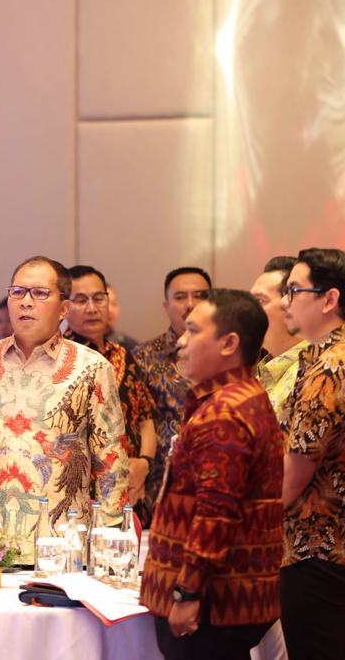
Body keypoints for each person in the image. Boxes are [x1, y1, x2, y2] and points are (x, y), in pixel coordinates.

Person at [0, 256, 128, 564]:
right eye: (17, 292)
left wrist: (106, 549)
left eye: (40, 293)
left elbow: (111, 463)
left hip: (63, 548)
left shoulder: (92, 367)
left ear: (64, 309)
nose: (26, 302)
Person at [140, 289, 282, 659]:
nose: (181, 342)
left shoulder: (223, 412)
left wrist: (187, 592)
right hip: (231, 596)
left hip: (213, 601)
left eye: (193, 331)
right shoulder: (245, 395)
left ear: (229, 343)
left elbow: (216, 513)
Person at [279, 248, 345, 660]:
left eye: (294, 290)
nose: (285, 302)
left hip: (318, 549)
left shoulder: (330, 366)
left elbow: (296, 472)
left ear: (329, 299)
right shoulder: (320, 356)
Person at [66, 266, 158, 521]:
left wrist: (144, 463)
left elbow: (146, 419)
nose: (92, 308)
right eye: (80, 300)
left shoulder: (123, 355)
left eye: (99, 298)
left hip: (131, 487)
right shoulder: (61, 359)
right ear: (64, 307)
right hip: (80, 493)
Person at [132, 266, 211, 527]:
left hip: (216, 479)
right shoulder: (143, 356)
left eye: (200, 296)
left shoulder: (227, 354)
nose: (190, 304)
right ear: (166, 306)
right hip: (159, 488)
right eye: (180, 297)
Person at [251, 256, 307, 422]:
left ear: (290, 303)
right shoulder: (260, 370)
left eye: (259, 301)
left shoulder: (312, 372)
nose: (247, 310)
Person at [105, 284, 139, 351]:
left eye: (114, 304)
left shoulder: (131, 347)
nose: (110, 310)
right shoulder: (83, 347)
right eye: (105, 304)